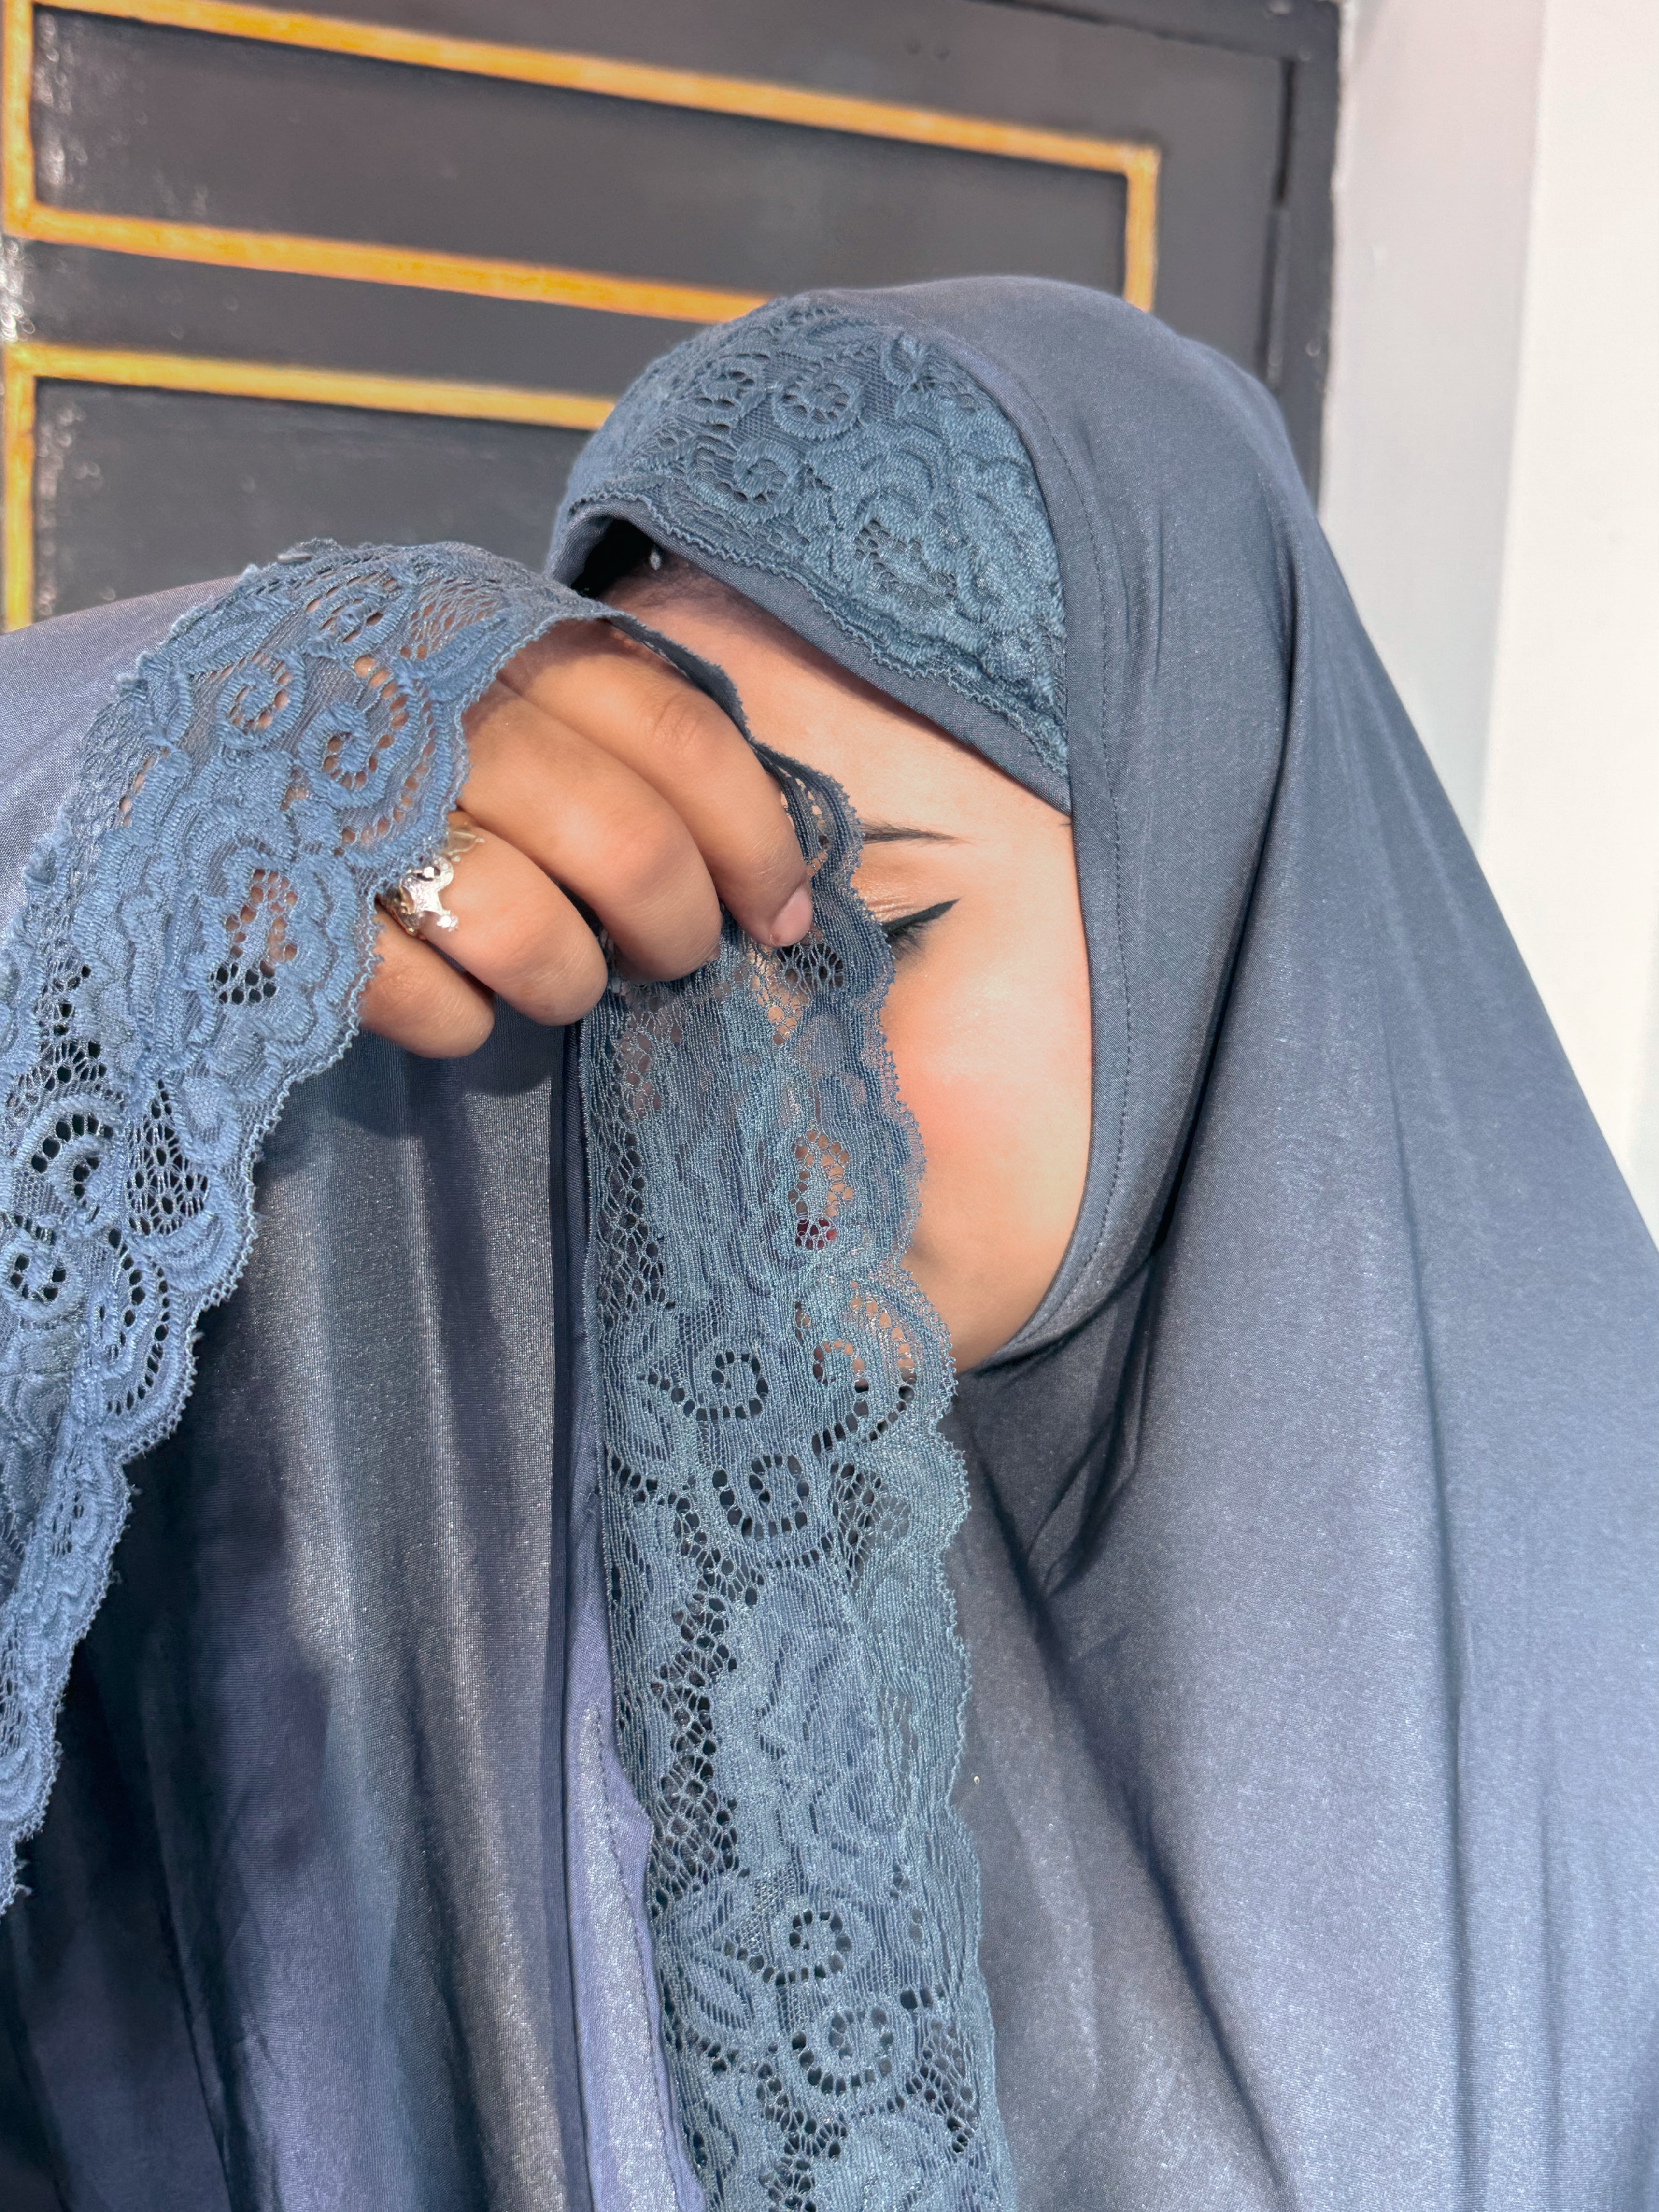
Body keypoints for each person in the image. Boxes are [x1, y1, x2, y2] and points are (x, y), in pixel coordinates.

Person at [0, 281, 1651, 2212]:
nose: (744, 1089)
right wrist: (159, 784)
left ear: (1199, 886)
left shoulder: (1590, 1654)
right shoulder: (519, 1487)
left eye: (874, 933)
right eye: (655, 951)